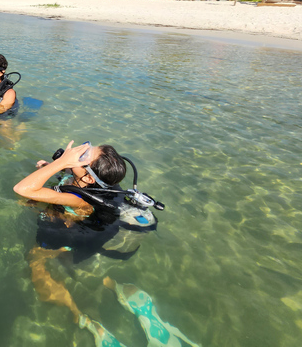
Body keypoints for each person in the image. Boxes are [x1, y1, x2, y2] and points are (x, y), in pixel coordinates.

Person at [13, 141, 195, 347]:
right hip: (80, 232)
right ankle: (123, 291)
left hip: (68, 235)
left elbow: (22, 189)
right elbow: (71, 180)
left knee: (36, 263)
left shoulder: (80, 199)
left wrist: (61, 163)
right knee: (69, 263)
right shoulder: (95, 183)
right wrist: (53, 167)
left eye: (84, 156)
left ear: (90, 177)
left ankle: (82, 318)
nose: (78, 152)